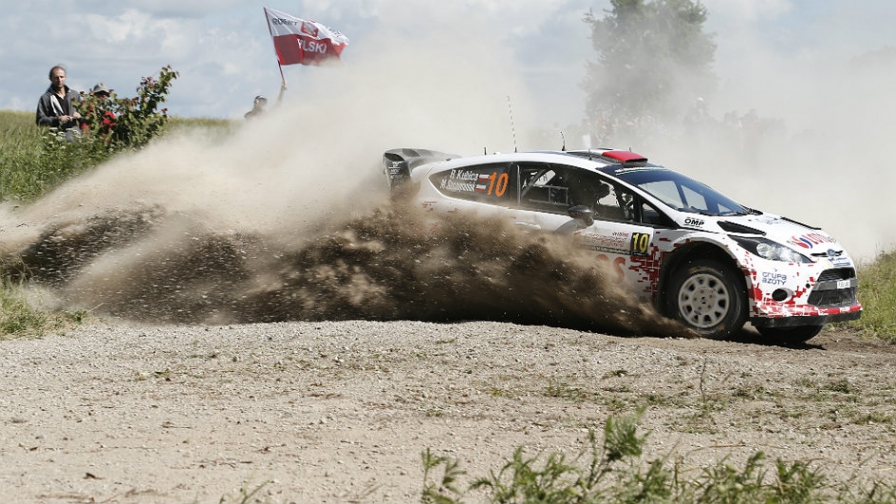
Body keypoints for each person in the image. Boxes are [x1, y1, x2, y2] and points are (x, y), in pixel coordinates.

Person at [35, 65, 82, 132]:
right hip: (56, 136)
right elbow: (40, 120)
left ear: (65, 77)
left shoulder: (74, 95)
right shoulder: (46, 98)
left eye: (61, 77)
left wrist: (79, 117)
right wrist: (57, 119)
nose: (59, 80)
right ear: (50, 79)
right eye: (56, 77)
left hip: (75, 136)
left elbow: (86, 117)